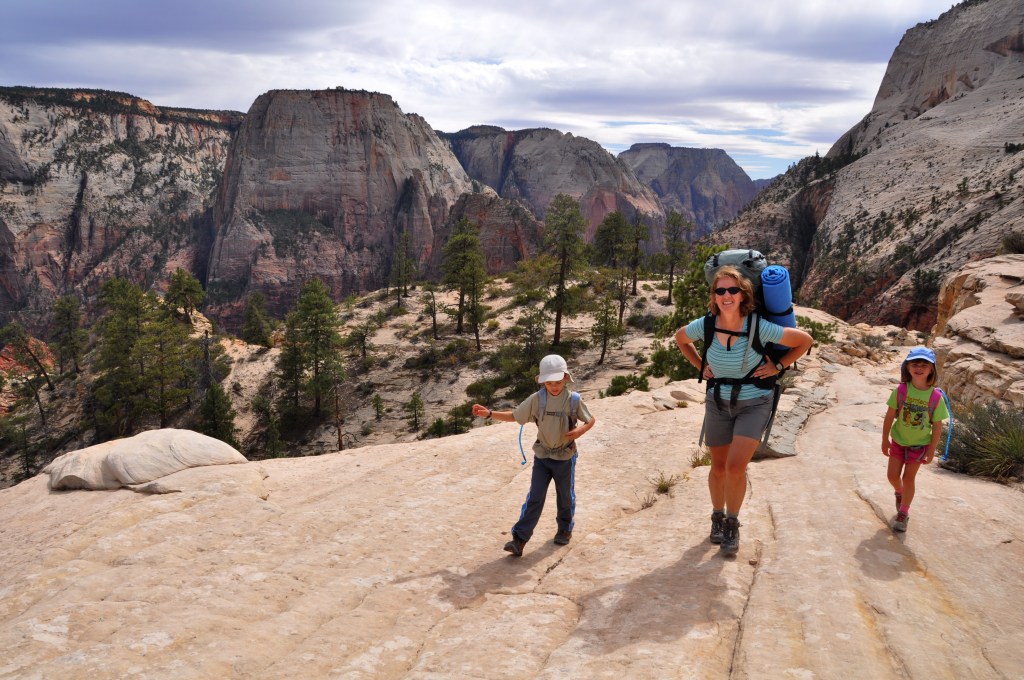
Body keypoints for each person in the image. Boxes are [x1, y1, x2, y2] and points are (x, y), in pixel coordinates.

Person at [674, 266, 813, 556]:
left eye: (732, 290)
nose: (726, 295)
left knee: (736, 467)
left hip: (754, 403)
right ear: (713, 296)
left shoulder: (758, 325)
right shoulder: (707, 324)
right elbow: (680, 338)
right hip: (718, 401)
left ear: (743, 295)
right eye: (720, 290)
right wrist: (700, 365)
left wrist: (777, 366)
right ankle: (716, 515)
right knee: (718, 467)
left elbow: (804, 341)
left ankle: (732, 524)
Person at [472, 354, 596, 557]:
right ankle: (519, 540)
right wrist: (489, 414)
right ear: (542, 381)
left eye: (557, 382)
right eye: (549, 383)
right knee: (535, 497)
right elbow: (515, 416)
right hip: (542, 457)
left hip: (565, 457)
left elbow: (590, 420)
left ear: (566, 378)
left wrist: (580, 431)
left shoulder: (573, 400)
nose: (554, 386)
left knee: (565, 496)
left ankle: (564, 529)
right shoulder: (537, 400)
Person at [881, 346, 949, 532]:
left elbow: (937, 425)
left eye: (924, 364)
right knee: (892, 476)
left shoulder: (936, 397)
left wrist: (932, 448)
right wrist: (884, 439)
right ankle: (899, 492)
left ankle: (903, 512)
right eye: (915, 364)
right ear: (907, 367)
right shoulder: (901, 390)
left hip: (919, 445)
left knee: (908, 478)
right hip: (898, 440)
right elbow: (889, 416)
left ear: (931, 369)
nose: (919, 368)